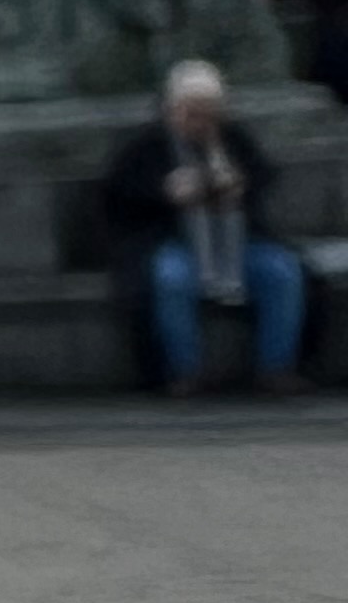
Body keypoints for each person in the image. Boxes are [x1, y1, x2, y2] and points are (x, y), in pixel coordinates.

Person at [101, 59, 307, 394]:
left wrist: (237, 186)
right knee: (172, 278)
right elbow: (121, 196)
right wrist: (165, 192)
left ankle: (276, 367)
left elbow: (260, 177)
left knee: (281, 271)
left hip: (239, 243)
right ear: (172, 110)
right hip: (173, 241)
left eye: (209, 113)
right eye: (191, 113)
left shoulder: (234, 140)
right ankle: (184, 371)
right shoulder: (147, 146)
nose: (201, 123)